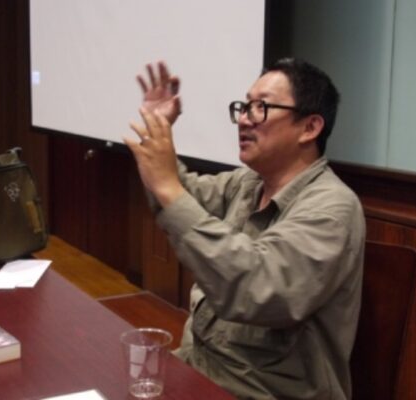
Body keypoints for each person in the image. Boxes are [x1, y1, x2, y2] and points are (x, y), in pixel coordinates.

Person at [124, 59, 366, 400]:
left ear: (309, 127)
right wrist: (158, 129)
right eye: (244, 106)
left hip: (259, 392)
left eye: (261, 107)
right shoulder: (248, 182)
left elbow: (258, 288)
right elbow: (183, 198)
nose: (243, 119)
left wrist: (169, 188)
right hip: (198, 370)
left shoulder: (332, 208)